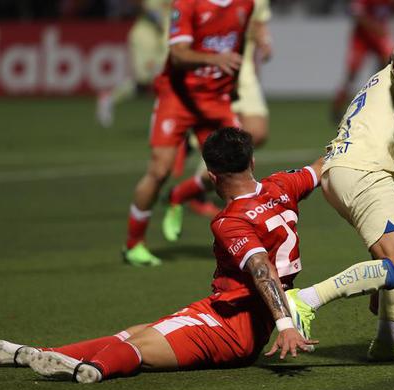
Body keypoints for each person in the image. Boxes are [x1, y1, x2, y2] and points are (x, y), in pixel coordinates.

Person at [0, 128, 320, 383]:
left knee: (139, 347)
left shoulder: (230, 221)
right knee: (135, 333)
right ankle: (35, 355)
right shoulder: (282, 185)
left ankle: (90, 370)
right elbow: (324, 166)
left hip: (234, 328)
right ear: (253, 161)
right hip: (225, 311)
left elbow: (261, 268)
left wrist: (285, 325)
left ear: (211, 175)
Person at [287, 45, 394, 362]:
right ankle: (305, 300)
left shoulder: (383, 89)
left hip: (340, 172)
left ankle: (388, 337)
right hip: (364, 171)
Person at [123, 0, 254, 266]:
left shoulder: (245, 4)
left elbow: (238, 45)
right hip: (178, 97)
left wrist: (235, 82)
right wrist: (216, 58)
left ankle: (182, 197)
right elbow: (179, 55)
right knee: (159, 170)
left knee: (237, 167)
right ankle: (133, 245)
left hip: (216, 98)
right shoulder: (187, 4)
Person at [163, 0, 274, 224]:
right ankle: (240, 221)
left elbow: (258, 22)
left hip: (241, 69)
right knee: (234, 151)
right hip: (210, 73)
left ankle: (183, 192)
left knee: (257, 133)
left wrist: (264, 41)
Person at [96, 0, 171, 128]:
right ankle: (109, 98)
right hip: (146, 35)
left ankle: (167, 122)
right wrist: (149, 13)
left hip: (166, 34)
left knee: (166, 75)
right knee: (146, 79)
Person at [331, 0, 394, 123]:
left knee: (388, 70)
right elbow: (357, 15)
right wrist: (375, 27)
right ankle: (337, 108)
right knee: (352, 74)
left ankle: (380, 106)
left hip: (379, 37)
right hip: (362, 38)